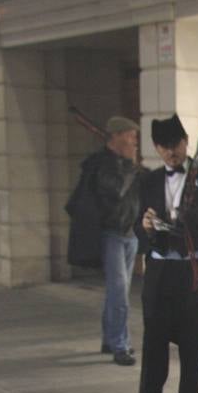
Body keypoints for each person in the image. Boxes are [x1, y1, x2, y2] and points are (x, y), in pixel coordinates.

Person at [126, 114, 198, 393]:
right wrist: (145, 227)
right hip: (159, 271)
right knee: (154, 342)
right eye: (163, 147)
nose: (170, 152)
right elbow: (137, 227)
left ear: (186, 142)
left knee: (190, 341)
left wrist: (195, 218)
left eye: (175, 145)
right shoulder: (150, 181)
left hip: (193, 270)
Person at [65, 115, 143, 365]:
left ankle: (110, 339)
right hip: (111, 234)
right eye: (130, 136)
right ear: (117, 137)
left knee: (117, 291)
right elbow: (115, 190)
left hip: (130, 234)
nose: (134, 142)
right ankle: (121, 344)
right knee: (119, 291)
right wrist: (131, 166)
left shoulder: (126, 164)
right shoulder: (101, 164)